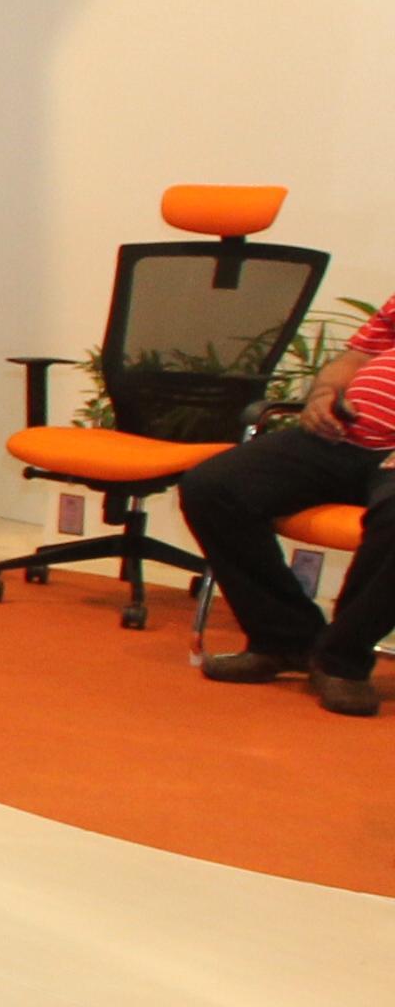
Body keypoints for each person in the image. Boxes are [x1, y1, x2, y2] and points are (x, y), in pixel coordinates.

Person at [183, 294, 392, 717]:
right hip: (341, 435)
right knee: (213, 487)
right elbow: (356, 357)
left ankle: (341, 662)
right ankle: (286, 640)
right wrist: (325, 393)